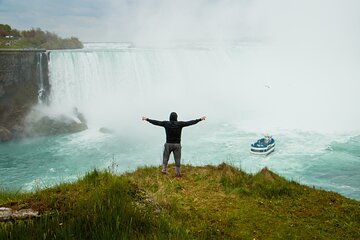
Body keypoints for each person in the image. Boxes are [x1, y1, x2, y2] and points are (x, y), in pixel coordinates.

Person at [142, 112, 206, 178]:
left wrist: (147, 119)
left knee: (165, 157)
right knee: (177, 159)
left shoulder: (166, 123)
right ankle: (178, 174)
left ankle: (164, 170)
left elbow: (156, 122)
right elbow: (190, 122)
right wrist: (200, 119)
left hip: (168, 144)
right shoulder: (180, 124)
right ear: (176, 117)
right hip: (177, 145)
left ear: (170, 117)